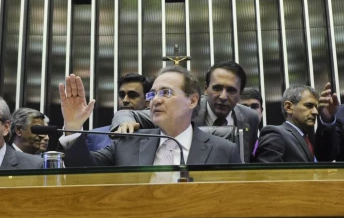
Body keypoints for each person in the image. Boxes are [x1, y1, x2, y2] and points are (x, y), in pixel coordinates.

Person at [59, 67, 242, 167]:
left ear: (192, 100)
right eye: (152, 94)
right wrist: (73, 126)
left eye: (166, 93)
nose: (155, 100)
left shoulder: (224, 150)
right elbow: (83, 169)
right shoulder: (127, 144)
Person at [109, 62, 260, 161]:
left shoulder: (250, 117)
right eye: (217, 88)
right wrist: (123, 124)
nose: (223, 96)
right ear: (206, 89)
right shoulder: (183, 107)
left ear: (240, 95)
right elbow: (127, 113)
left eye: (231, 90)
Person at [254, 84, 339, 163]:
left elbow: (328, 157)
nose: (316, 112)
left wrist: (327, 118)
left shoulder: (311, 138)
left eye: (316, 107)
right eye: (309, 105)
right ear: (288, 107)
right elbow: (268, 175)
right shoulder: (275, 134)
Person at [87, 72, 152, 151]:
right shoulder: (95, 136)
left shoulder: (159, 133)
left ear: (147, 101)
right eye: (122, 95)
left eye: (132, 95)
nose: (125, 100)